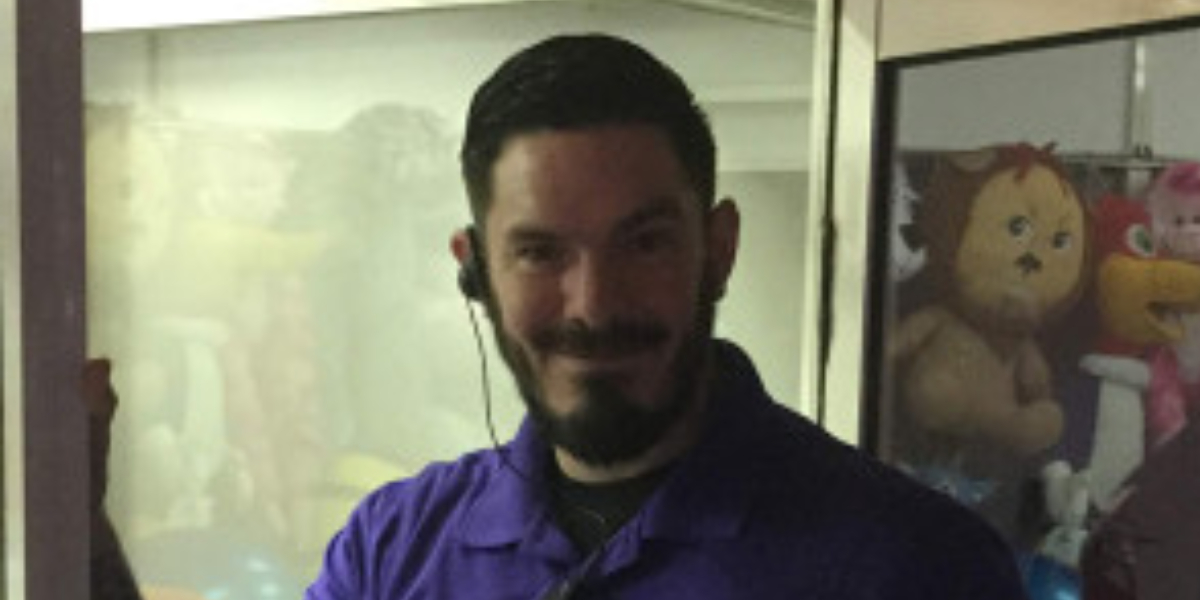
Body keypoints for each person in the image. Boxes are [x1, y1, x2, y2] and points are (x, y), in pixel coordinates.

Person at [305, 33, 1026, 599]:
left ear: (718, 250)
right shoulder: (393, 549)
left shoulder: (918, 568)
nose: (593, 306)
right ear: (475, 268)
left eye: (643, 243)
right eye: (539, 252)